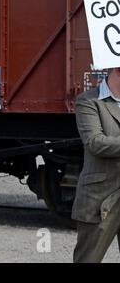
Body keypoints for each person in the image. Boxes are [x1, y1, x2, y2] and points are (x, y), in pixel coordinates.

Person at [73, 67, 120, 263]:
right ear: (117, 71)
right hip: (100, 198)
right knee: (88, 259)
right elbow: (95, 143)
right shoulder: (88, 101)